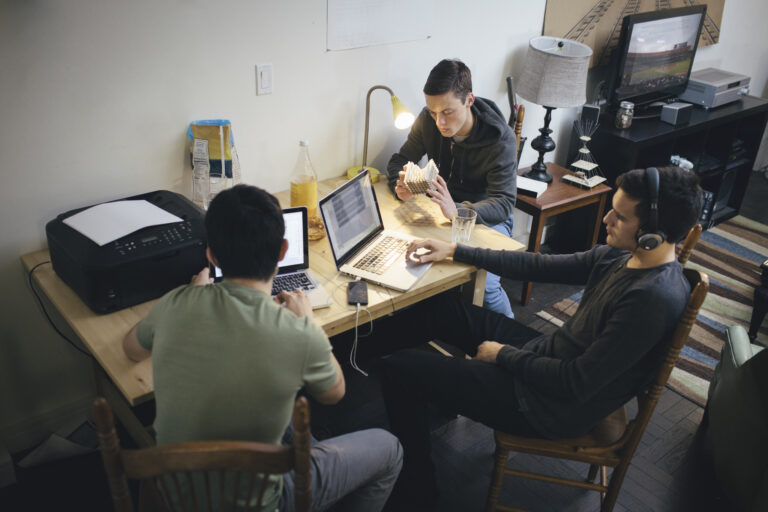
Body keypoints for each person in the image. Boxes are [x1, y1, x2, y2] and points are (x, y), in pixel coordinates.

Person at [377, 166, 702, 510]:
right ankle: (426, 390)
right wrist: (456, 250)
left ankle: (417, 492)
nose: (606, 219)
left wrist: (502, 355)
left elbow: (574, 384)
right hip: (544, 360)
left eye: (619, 217)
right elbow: (538, 265)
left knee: (399, 369)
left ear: (653, 233)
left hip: (548, 406)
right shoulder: (622, 256)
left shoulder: (651, 299)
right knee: (441, 309)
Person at [122, 184, 402, 512]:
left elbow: (131, 348)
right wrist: (309, 325)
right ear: (283, 251)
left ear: (211, 256)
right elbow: (334, 393)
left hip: (177, 497)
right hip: (260, 503)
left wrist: (191, 294)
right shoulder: (297, 332)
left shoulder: (175, 303)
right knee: (390, 448)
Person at [387, 58, 518, 318]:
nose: (439, 122)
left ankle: (517, 346)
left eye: (447, 112)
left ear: (469, 100)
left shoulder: (500, 139)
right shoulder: (428, 120)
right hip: (439, 211)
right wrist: (399, 186)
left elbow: (503, 203)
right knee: (402, 268)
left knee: (487, 288)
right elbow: (399, 161)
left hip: (486, 219)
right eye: (433, 112)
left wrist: (457, 210)